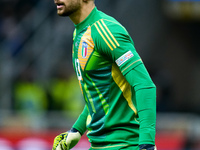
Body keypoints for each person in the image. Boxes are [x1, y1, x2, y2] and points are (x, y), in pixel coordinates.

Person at [52, 0, 157, 150]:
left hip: (124, 145)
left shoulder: (106, 30)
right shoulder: (79, 33)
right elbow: (100, 93)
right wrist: (77, 130)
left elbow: (144, 85)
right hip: (98, 145)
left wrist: (147, 144)